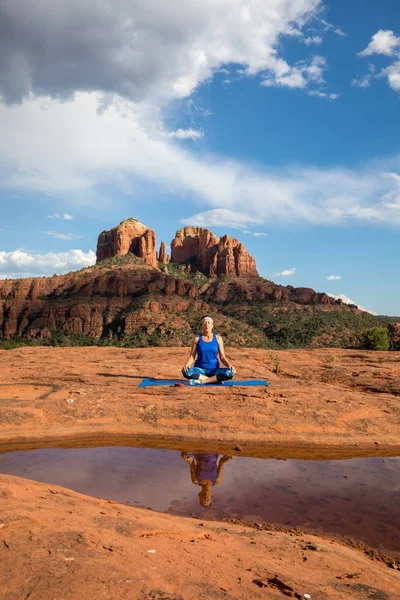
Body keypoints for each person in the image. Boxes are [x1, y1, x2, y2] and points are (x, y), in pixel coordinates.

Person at [182, 316, 236, 385]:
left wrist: (230, 365)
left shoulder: (218, 339)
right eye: (204, 322)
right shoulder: (197, 339)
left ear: (212, 326)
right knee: (186, 372)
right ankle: (215, 380)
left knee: (230, 372)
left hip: (214, 370)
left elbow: (222, 357)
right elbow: (192, 356)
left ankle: (202, 381)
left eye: (209, 322)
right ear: (201, 326)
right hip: (200, 370)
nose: (207, 324)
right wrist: (186, 365)